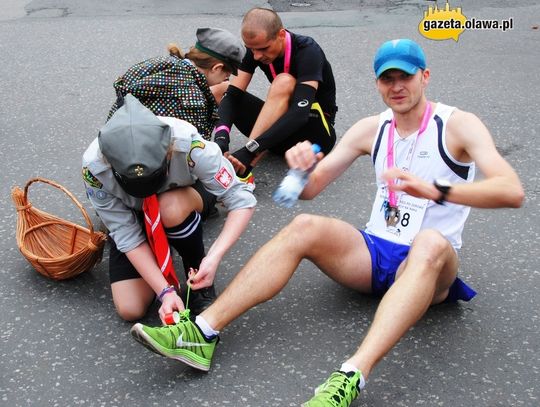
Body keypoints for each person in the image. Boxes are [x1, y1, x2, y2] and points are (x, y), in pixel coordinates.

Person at [129, 39, 524, 406]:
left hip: (429, 267)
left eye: (406, 75)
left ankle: (350, 376)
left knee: (431, 242)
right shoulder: (373, 128)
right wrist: (298, 169)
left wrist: (435, 190)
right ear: (378, 84)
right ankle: (201, 333)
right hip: (374, 253)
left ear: (425, 76)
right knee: (305, 225)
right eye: (388, 78)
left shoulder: (458, 125)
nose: (397, 85)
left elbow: (511, 191)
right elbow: (311, 188)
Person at [82, 94, 256, 321]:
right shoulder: (93, 168)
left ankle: (196, 273)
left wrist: (213, 258)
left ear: (169, 152)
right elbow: (125, 233)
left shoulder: (188, 142)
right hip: (137, 214)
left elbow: (240, 198)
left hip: (184, 197)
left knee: (169, 207)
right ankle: (163, 243)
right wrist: (165, 291)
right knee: (130, 309)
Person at [212, 7, 338, 185]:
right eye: (251, 49)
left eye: (263, 49)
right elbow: (232, 96)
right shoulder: (256, 49)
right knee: (220, 89)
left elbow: (299, 114)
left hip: (314, 137)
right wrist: (221, 137)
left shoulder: (308, 50)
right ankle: (206, 155)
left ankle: (244, 168)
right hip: (280, 137)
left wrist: (250, 149)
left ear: (280, 34)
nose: (256, 56)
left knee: (283, 81)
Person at [108, 27, 246, 141]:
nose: (225, 80)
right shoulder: (193, 98)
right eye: (226, 76)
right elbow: (196, 149)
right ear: (217, 68)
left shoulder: (165, 65)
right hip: (146, 159)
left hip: (114, 139)